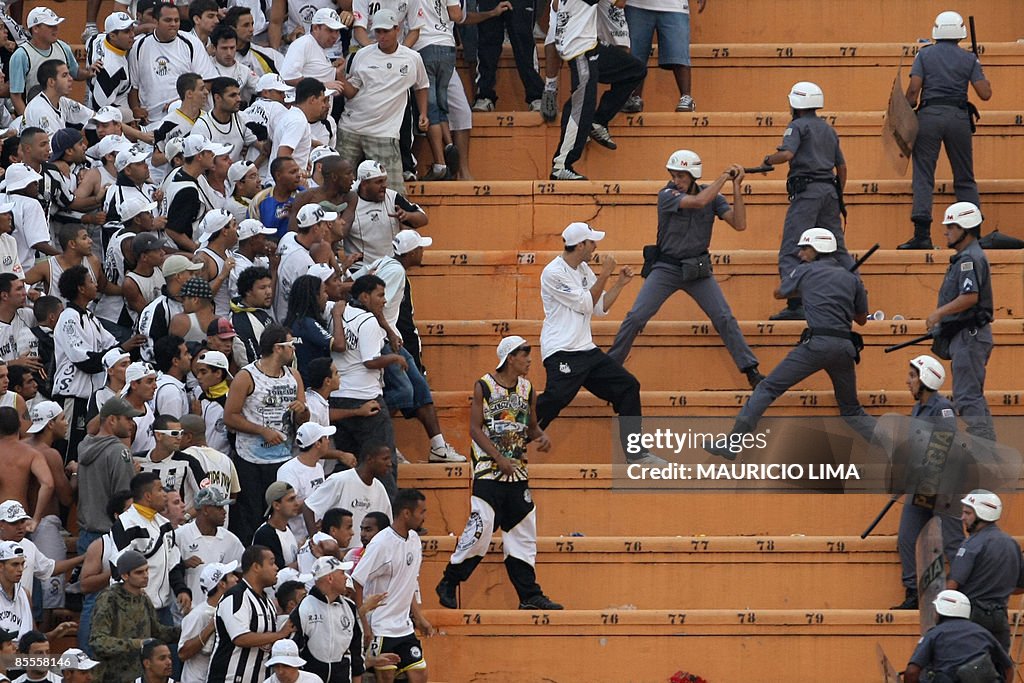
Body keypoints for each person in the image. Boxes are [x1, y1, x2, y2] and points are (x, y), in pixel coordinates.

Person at [607, 151, 763, 388]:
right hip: (667, 267)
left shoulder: (714, 196)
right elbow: (699, 202)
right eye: (674, 175)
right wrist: (723, 178)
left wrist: (737, 187)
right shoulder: (667, 195)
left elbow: (739, 224)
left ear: (693, 176)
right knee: (636, 316)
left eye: (681, 176)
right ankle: (610, 368)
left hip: (697, 269)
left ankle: (751, 370)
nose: (676, 180)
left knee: (723, 317)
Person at [711, 228, 874, 454]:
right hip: (844, 348)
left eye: (805, 248)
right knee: (852, 410)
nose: (800, 253)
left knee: (767, 388)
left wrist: (807, 288)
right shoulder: (851, 278)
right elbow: (862, 319)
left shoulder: (805, 271)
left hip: (816, 345)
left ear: (817, 249)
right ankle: (895, 446)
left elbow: (779, 293)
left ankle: (733, 442)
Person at [436, 336, 562, 611]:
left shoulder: (528, 389)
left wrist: (541, 436)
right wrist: (498, 457)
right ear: (510, 358)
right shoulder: (485, 386)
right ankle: (449, 580)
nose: (529, 359)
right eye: (524, 354)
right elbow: (474, 429)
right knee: (480, 530)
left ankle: (529, 595)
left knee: (523, 534)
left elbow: (529, 425)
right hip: (488, 471)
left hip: (517, 474)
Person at [536, 223, 656, 464]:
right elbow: (584, 303)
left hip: (585, 350)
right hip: (561, 350)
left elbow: (600, 307)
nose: (595, 246)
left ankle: (636, 454)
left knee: (628, 386)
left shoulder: (582, 269)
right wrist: (605, 274)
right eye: (591, 242)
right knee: (555, 400)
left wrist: (619, 283)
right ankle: (509, 441)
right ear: (580, 245)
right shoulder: (553, 272)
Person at [900, 11, 992, 250]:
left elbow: (912, 92)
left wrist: (907, 108)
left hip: (930, 116)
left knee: (923, 175)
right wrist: (977, 66)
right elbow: (985, 93)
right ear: (960, 32)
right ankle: (973, 233)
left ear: (936, 31)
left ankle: (922, 235)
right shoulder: (968, 59)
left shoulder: (924, 54)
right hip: (958, 118)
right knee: (964, 177)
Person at [764, 82, 853, 321]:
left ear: (796, 104)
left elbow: (787, 154)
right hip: (829, 192)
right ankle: (855, 292)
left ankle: (795, 303)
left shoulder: (797, 126)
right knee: (837, 248)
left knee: (793, 247)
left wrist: (768, 160)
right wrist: (837, 194)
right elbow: (842, 167)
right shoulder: (828, 129)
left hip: (807, 192)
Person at [223, 325, 307, 543]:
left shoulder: (294, 376)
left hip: (283, 459)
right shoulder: (246, 376)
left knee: (281, 516)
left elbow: (302, 422)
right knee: (252, 516)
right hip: (251, 460)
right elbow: (230, 416)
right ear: (278, 348)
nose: (294, 350)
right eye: (291, 345)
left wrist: (302, 411)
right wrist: (262, 431)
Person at [891, 355, 962, 611]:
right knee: (907, 538)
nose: (907, 381)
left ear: (926, 379)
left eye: (912, 376)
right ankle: (913, 593)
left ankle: (965, 595)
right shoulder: (918, 408)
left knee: (953, 542)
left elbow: (943, 446)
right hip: (921, 486)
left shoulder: (943, 409)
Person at [548, 0, 646, 181]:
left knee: (635, 70)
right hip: (580, 50)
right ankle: (561, 165)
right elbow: (620, 3)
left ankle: (598, 120)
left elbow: (555, 5)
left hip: (587, 44)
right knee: (582, 103)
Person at [54, 267, 145, 459]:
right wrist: (122, 348)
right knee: (69, 452)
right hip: (72, 395)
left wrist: (127, 347)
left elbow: (113, 346)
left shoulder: (91, 317)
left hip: (87, 398)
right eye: (90, 281)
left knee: (85, 452)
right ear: (80, 288)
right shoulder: (69, 318)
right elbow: (85, 361)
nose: (96, 285)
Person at [336, 10, 429, 194]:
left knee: (393, 193)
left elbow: (422, 85)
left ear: (397, 29)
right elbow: (352, 92)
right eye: (378, 31)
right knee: (337, 189)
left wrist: (424, 114)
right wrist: (340, 76)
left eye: (386, 31)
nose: (381, 36)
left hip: (384, 134)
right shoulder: (362, 55)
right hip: (350, 129)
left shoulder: (412, 58)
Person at [925, 201, 995, 441]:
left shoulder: (968, 259)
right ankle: (989, 453)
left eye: (952, 226)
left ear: (966, 228)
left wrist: (939, 313)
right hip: (966, 336)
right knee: (972, 396)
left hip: (969, 336)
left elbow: (969, 296)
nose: (946, 231)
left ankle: (986, 456)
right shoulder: (967, 257)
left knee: (966, 397)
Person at [331, 276, 404, 496]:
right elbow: (370, 361)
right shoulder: (367, 322)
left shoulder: (336, 313)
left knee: (348, 464)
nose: (384, 300)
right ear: (364, 296)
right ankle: (390, 518)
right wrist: (394, 359)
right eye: (380, 294)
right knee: (384, 462)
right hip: (367, 400)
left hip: (338, 397)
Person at [351, 489, 433, 683]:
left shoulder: (414, 540)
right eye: (421, 512)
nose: (424, 517)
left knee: (420, 674)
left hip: (404, 627)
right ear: (406, 513)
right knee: (386, 677)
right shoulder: (381, 544)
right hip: (380, 628)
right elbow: (357, 581)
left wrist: (419, 617)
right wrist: (364, 624)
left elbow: (408, 581)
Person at [110, 473, 192, 625]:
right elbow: (118, 568)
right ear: (148, 496)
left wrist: (181, 589)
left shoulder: (164, 524)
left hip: (163, 610)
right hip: (134, 610)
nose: (165, 495)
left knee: (167, 649)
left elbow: (173, 564)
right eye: (160, 490)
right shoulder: (126, 524)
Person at [89, 551, 180, 683]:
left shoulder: (143, 599)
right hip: (112, 675)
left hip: (138, 675)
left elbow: (157, 632)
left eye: (146, 570)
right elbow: (98, 641)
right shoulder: (109, 598)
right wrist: (138, 644)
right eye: (139, 572)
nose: (146, 575)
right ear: (125, 575)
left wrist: (185, 631)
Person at [207, 545, 294, 682]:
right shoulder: (236, 596)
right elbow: (240, 638)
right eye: (271, 563)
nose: (276, 567)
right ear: (256, 567)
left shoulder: (268, 602)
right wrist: (279, 635)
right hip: (229, 678)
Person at [948, 490, 1022, 650]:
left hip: (972, 616)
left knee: (965, 666)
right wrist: (996, 590)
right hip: (1000, 616)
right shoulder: (1012, 544)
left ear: (982, 514)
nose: (963, 518)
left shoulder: (971, 544)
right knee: (1000, 667)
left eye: (967, 513)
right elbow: (1021, 586)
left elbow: (953, 586)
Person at [292, 555, 383, 683]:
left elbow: (356, 651)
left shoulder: (350, 607)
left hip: (342, 676)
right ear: (330, 578)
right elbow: (293, 650)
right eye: (342, 573)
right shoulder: (304, 608)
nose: (346, 577)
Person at [128, 2, 216, 124]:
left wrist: (182, 102)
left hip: (186, 118)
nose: (173, 24)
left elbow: (207, 82)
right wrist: (136, 109)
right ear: (156, 21)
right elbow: (134, 87)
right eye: (168, 20)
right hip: (151, 122)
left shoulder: (192, 43)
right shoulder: (139, 46)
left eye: (177, 20)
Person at [904, 590, 1013, 683]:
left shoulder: (934, 634)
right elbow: (1008, 668)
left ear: (940, 611)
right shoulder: (983, 632)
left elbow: (912, 672)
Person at [341, 160, 429, 267]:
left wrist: (407, 215)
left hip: (389, 266)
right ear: (364, 184)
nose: (384, 185)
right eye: (379, 182)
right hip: (360, 269)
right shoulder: (348, 201)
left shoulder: (392, 197)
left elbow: (423, 219)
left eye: (385, 180)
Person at [622, 0, 701, 113]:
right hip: (636, 5)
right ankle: (634, 97)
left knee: (678, 51)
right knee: (635, 54)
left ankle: (686, 97)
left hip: (674, 6)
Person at [303, 442, 392, 543]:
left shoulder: (380, 488)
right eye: (385, 459)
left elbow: (388, 528)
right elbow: (308, 507)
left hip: (364, 556)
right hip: (338, 554)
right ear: (369, 459)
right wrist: (316, 540)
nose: (389, 463)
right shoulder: (340, 480)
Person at [9, 7, 84, 116]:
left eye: (56, 25)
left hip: (62, 114)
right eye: (50, 26)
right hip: (35, 116)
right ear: (35, 28)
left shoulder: (63, 47)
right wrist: (27, 122)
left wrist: (90, 72)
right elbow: (16, 96)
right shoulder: (21, 55)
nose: (56, 29)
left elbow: (76, 73)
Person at [173, 488, 244, 600]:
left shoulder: (230, 540)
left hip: (218, 612)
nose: (224, 512)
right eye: (219, 507)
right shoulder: (179, 536)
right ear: (205, 509)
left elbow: (243, 571)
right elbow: (168, 570)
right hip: (185, 612)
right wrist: (183, 564)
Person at [178, 561, 238, 683]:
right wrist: (210, 627)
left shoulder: (231, 609)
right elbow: (183, 653)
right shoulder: (198, 615)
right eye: (231, 575)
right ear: (222, 583)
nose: (236, 579)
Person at [277, 423, 334, 545]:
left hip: (318, 535)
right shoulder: (288, 471)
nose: (328, 442)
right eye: (325, 438)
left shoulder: (318, 467)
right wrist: (316, 501)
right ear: (317, 444)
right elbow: (285, 508)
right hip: (297, 540)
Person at [179, 414, 239, 504]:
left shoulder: (182, 458)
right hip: (222, 516)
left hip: (191, 517)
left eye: (178, 434)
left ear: (188, 437)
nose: (176, 438)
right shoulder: (226, 460)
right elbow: (233, 495)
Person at [22, 60, 93, 137]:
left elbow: (93, 117)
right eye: (64, 75)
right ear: (51, 82)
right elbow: (55, 147)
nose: (70, 79)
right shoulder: (40, 110)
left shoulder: (62, 101)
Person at [229, 266, 275, 366]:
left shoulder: (259, 311)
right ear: (248, 291)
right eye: (262, 288)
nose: (269, 292)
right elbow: (250, 364)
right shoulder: (241, 322)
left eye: (269, 286)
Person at [188, 353, 232, 454]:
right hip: (197, 456)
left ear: (218, 373)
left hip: (221, 461)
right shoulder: (198, 394)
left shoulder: (231, 400)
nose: (198, 377)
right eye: (198, 372)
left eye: (203, 372)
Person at [254, 482, 302, 569]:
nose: (297, 503)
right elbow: (277, 574)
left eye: (296, 498)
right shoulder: (265, 535)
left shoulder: (286, 527)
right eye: (291, 500)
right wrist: (305, 557)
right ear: (276, 505)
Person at [0, 542, 31, 638]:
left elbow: (32, 638)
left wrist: (54, 633)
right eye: (15, 564)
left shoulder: (25, 594)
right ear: (0, 566)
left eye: (22, 564)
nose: (20, 569)